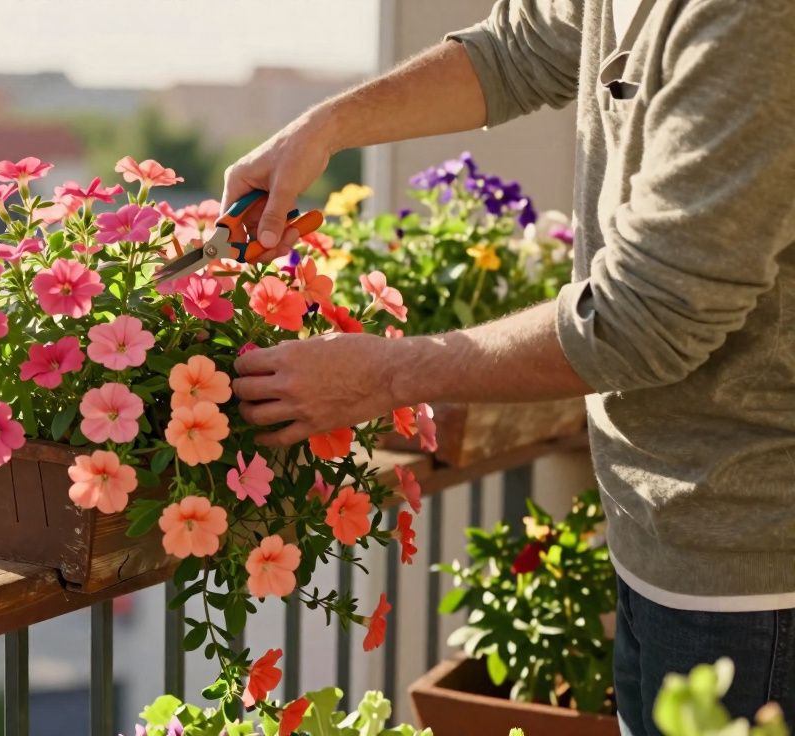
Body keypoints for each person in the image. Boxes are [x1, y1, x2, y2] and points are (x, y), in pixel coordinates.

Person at [224, 1, 795, 733]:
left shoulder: (749, 17)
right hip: (662, 535)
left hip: (757, 571)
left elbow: (647, 318)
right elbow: (517, 50)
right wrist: (324, 129)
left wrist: (383, 375)